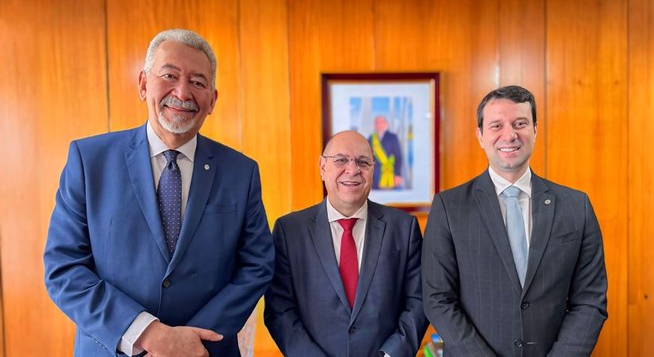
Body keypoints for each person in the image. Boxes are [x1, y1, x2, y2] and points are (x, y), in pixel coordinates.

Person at [43, 29, 275, 357]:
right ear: (143, 84)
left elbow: (258, 264)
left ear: (212, 100)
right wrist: (148, 333)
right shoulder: (89, 160)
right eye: (169, 75)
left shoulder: (241, 171)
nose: (182, 92)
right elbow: (63, 266)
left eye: (198, 82)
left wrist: (190, 343)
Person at [422, 85, 607, 357]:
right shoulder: (449, 207)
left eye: (520, 123)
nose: (509, 135)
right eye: (496, 125)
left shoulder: (575, 206)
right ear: (481, 136)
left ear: (535, 129)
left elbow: (590, 299)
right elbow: (438, 299)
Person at [264, 130, 428, 357]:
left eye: (363, 162)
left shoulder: (404, 228)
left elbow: (418, 302)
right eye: (341, 160)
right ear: (322, 167)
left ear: (372, 170)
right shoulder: (289, 230)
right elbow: (279, 310)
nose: (352, 170)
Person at [368, 115, 403, 189]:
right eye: (377, 123)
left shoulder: (393, 137)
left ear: (386, 124)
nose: (379, 125)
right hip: (375, 176)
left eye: (381, 122)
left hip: (390, 173)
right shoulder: (371, 138)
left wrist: (398, 174)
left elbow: (398, 157)